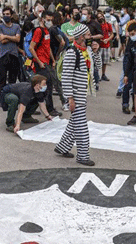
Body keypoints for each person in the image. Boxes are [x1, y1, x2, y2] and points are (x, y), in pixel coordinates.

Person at [55, 24, 95, 167]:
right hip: (75, 95)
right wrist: (70, 98)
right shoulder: (72, 53)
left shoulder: (85, 50)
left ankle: (62, 147)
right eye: (88, 35)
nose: (91, 37)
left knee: (74, 123)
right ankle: (83, 156)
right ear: (81, 37)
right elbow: (66, 77)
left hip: (81, 94)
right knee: (81, 126)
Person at [29, 11, 60, 117]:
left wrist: (53, 59)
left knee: (44, 86)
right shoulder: (38, 31)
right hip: (41, 63)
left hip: (46, 62)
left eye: (51, 20)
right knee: (47, 85)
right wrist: (39, 61)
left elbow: (48, 47)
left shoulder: (47, 31)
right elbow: (31, 48)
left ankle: (31, 108)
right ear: (42, 19)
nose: (50, 22)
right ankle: (49, 109)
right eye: (48, 20)